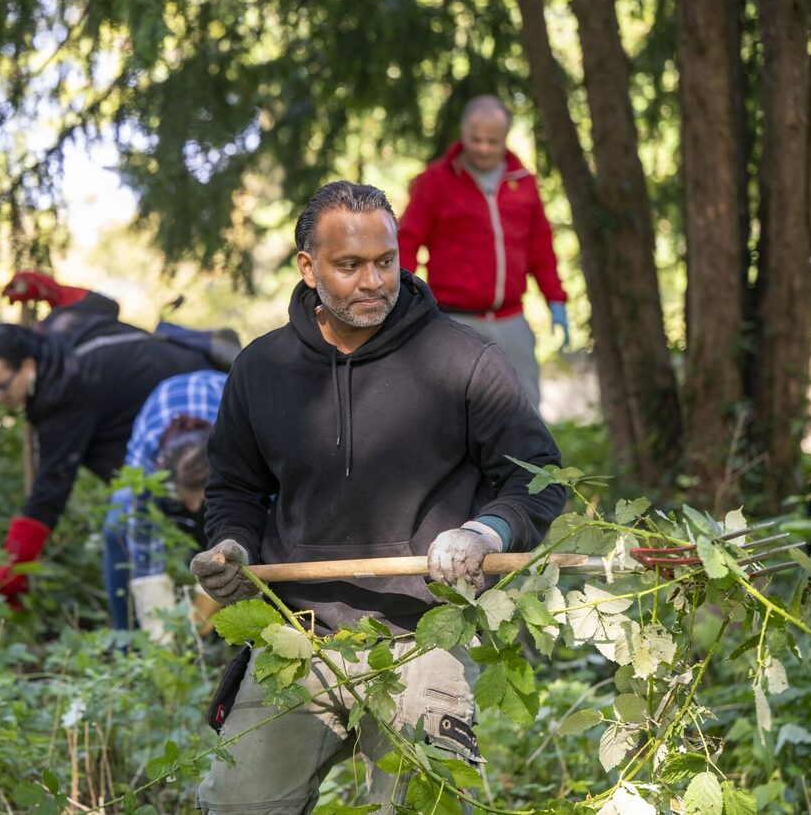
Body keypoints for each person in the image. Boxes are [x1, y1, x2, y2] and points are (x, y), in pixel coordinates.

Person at [191, 181, 565, 812]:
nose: (373, 282)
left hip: (425, 638)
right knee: (236, 805)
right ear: (309, 268)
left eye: (385, 262)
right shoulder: (261, 369)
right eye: (350, 266)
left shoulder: (464, 359)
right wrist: (231, 548)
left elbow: (535, 475)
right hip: (295, 637)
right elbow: (235, 489)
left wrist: (484, 534)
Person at [0, 300, 220, 607]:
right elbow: (103, 304)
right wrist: (58, 293)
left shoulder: (65, 394)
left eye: (1, 386)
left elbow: (49, 491)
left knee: (189, 523)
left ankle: (132, 639)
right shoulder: (60, 329)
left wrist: (12, 568)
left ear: (28, 365)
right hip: (184, 395)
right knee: (143, 521)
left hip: (202, 422)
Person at [397, 94, 568, 410]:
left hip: (511, 319)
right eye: (476, 140)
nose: (484, 148)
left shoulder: (523, 181)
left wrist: (555, 299)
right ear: (463, 135)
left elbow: (540, 246)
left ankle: (522, 463)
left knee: (524, 409)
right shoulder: (435, 181)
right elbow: (407, 242)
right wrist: (402, 298)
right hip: (453, 320)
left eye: (493, 140)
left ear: (505, 139)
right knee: (452, 411)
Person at [100, 368, 226, 632]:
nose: (193, 507)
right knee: (117, 525)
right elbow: (142, 534)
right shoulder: (148, 457)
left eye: (198, 495)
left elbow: (262, 506)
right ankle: (126, 636)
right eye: (184, 498)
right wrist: (157, 623)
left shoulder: (234, 444)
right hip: (164, 404)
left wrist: (210, 594)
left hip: (220, 403)